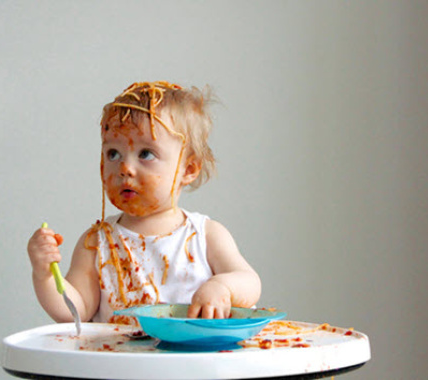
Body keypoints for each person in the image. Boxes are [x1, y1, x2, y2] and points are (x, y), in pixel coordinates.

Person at [27, 81, 261, 324]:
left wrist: (221, 287)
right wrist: (44, 275)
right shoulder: (96, 243)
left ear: (188, 169)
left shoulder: (205, 235)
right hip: (120, 360)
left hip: (194, 361)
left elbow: (249, 281)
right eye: (113, 154)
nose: (125, 168)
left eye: (146, 154)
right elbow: (75, 311)